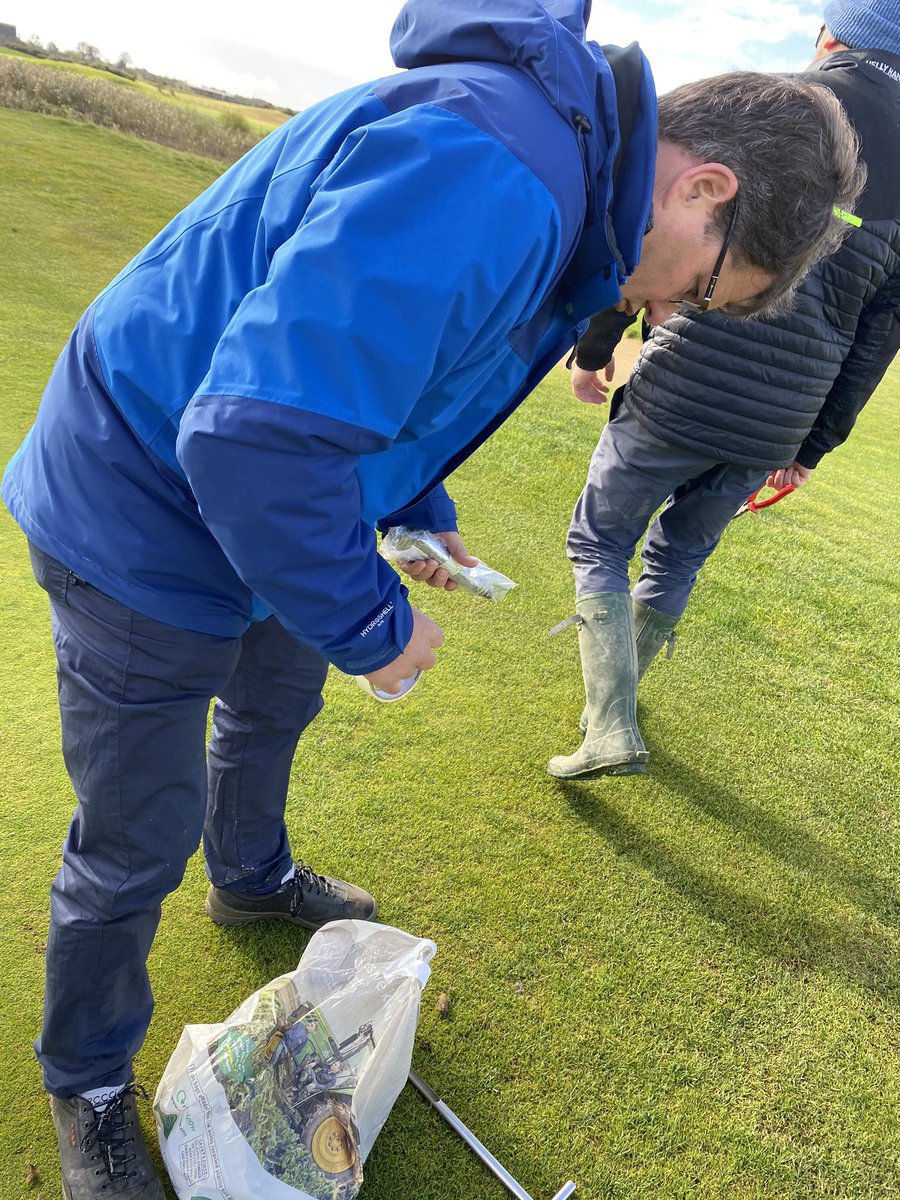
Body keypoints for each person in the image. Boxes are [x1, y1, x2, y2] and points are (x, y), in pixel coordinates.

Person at [1, 0, 863, 1196]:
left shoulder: (558, 173)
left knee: (270, 705)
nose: (668, 318)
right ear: (703, 189)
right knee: (134, 832)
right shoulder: (500, 172)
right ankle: (88, 1078)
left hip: (247, 504)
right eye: (707, 291)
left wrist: (411, 508)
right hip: (139, 507)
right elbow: (253, 443)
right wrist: (371, 625)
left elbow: (382, 380)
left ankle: (249, 873)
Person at [549, 0, 899, 781]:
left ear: (833, 37)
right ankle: (616, 710)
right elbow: (879, 337)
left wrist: (595, 343)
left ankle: (609, 722)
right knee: (680, 558)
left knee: (598, 539)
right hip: (780, 420)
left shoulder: (773, 106)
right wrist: (814, 445)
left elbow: (650, 215)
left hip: (685, 381)